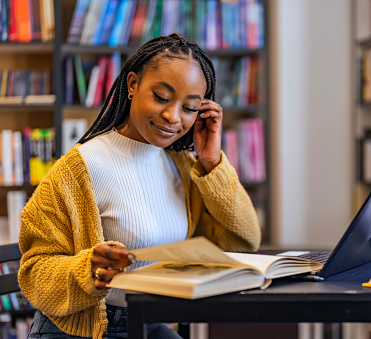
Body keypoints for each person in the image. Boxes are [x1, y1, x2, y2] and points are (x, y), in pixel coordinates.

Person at [18, 32, 261, 339]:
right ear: (133, 84)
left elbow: (243, 240)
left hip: (147, 322)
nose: (173, 117)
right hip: (80, 328)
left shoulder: (183, 166)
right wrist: (88, 270)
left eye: (189, 107)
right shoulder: (78, 169)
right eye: (161, 97)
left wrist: (213, 162)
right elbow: (34, 274)